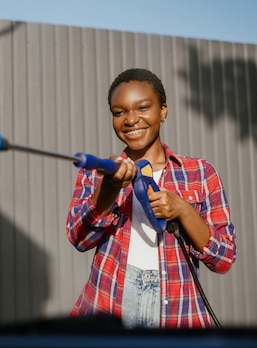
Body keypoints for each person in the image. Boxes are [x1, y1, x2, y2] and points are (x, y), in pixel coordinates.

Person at [66, 68, 236, 329]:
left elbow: (223, 259)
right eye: (119, 112)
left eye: (142, 108)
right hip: (111, 304)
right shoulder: (98, 173)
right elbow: (79, 239)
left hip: (178, 311)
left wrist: (184, 210)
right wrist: (109, 189)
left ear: (163, 111)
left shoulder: (201, 173)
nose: (130, 120)